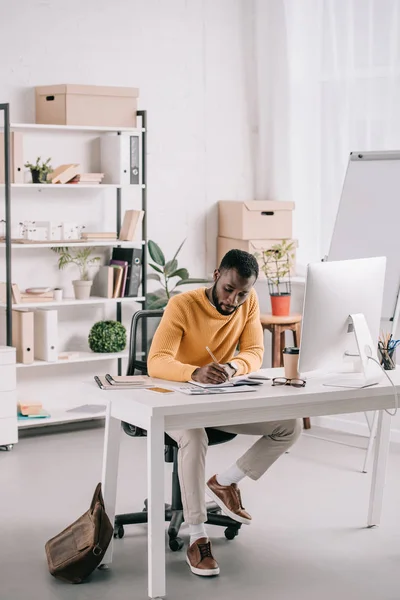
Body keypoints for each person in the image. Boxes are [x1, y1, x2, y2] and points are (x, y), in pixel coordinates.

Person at [148, 249, 301, 577]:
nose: (233, 300)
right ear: (216, 275)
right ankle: (198, 537)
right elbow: (157, 361)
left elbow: (254, 352)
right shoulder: (183, 305)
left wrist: (232, 366)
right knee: (192, 433)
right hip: (176, 401)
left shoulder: (248, 302)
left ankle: (225, 481)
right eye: (228, 289)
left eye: (242, 293)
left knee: (289, 424)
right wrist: (194, 372)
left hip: (217, 399)